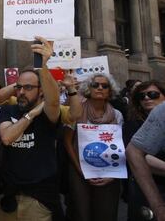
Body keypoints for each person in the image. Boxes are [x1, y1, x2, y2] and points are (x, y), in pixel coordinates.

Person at [0, 36, 63, 221]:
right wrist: (31, 114)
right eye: (18, 88)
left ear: (41, 91)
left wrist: (42, 65)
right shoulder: (8, 110)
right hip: (8, 198)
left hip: (39, 200)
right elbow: (7, 137)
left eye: (28, 88)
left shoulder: (48, 113)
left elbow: (54, 99)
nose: (21, 92)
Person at [64, 73, 123, 221]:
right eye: (95, 85)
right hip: (79, 171)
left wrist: (111, 175)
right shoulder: (76, 111)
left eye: (105, 86)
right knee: (81, 212)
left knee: (106, 212)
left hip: (109, 174)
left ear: (110, 91)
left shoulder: (117, 115)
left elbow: (119, 147)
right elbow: (67, 141)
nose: (100, 88)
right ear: (88, 89)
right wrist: (80, 169)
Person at [123, 80, 165, 220]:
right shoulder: (133, 123)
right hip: (149, 184)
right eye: (142, 96)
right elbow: (135, 154)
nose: (147, 98)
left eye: (153, 94)